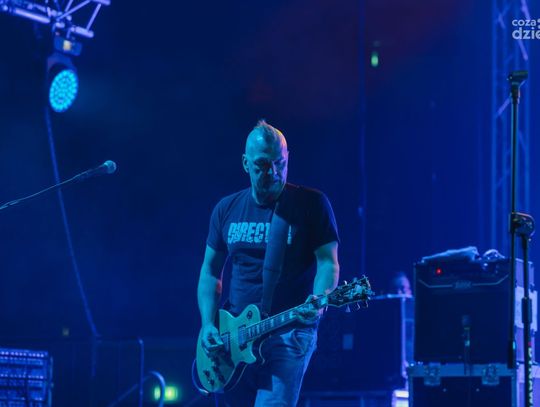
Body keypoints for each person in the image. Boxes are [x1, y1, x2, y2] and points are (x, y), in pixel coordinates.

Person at [197, 120, 340, 406]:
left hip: (288, 330)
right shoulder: (226, 209)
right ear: (245, 163)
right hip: (234, 336)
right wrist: (208, 324)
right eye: (262, 165)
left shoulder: (311, 205)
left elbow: (328, 263)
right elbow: (211, 272)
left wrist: (321, 298)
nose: (273, 173)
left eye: (280, 163)